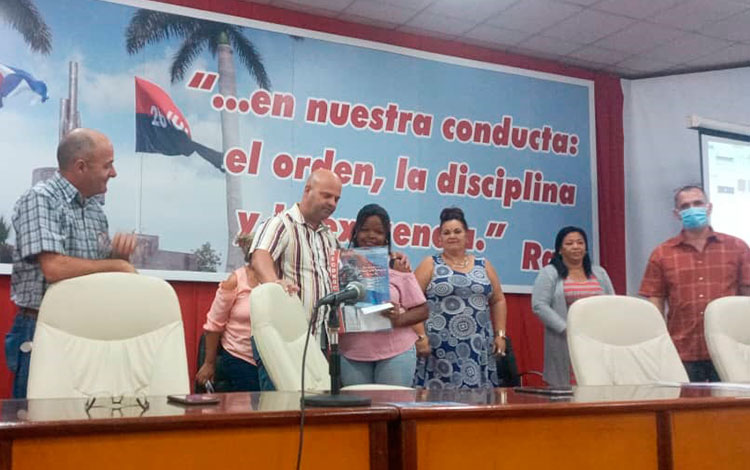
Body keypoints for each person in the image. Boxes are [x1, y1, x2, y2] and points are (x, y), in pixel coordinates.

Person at [5, 128, 137, 398]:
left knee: (80, 419)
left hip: (87, 327)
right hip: (42, 328)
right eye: (108, 165)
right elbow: (54, 268)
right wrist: (116, 267)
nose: (114, 173)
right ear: (81, 166)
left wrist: (117, 257)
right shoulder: (40, 199)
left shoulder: (95, 210)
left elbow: (92, 271)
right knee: (37, 423)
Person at [639, 185, 750, 382]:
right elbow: (655, 300)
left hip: (730, 350)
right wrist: (660, 342)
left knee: (732, 410)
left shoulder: (738, 247)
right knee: (686, 411)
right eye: (685, 206)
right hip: (682, 350)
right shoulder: (662, 253)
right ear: (677, 214)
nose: (692, 209)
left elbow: (746, 299)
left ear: (709, 207)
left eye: (698, 203)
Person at [413, 207, 507, 389]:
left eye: (457, 231)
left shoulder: (483, 265)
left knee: (477, 403)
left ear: (467, 235)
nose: (452, 236)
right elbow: (411, 302)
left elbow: (498, 300)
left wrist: (500, 335)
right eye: (446, 232)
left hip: (478, 347)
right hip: (439, 348)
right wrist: (420, 337)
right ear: (439, 238)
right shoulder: (430, 264)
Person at [338, 204, 428, 387]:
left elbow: (423, 310)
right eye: (365, 230)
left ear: (386, 236)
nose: (371, 236)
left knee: (391, 411)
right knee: (358, 413)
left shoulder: (397, 265)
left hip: (396, 352)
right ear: (355, 232)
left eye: (378, 232)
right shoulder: (340, 263)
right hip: (352, 352)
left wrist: (399, 318)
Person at [531, 226, 614, 386]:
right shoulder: (550, 273)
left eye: (580, 243)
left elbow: (612, 302)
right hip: (566, 341)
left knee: (599, 386)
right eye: (569, 243)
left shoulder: (599, 273)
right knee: (569, 391)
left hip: (598, 341)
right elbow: (539, 305)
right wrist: (567, 329)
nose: (576, 247)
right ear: (560, 249)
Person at [195, 232, 260, 392]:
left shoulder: (280, 279)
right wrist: (209, 364)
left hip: (272, 360)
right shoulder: (235, 280)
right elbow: (214, 324)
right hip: (240, 356)